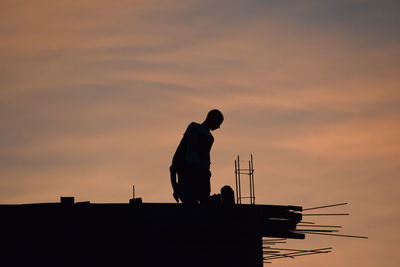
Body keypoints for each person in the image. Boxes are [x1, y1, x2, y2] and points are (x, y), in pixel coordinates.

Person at [170, 109, 224, 204]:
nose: (219, 126)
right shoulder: (194, 127)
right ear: (211, 118)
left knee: (203, 202)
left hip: (202, 174)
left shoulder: (210, 138)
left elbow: (206, 157)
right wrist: (175, 187)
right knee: (192, 202)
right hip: (191, 172)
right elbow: (182, 146)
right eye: (218, 123)